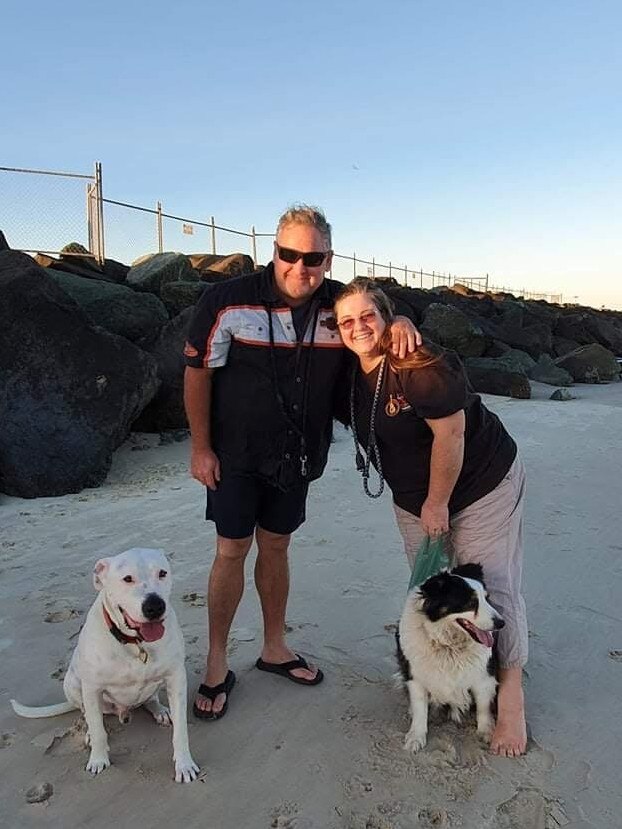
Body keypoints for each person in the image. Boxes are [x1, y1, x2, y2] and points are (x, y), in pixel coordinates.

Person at [183, 207, 420, 720]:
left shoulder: (340, 307)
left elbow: (377, 319)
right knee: (231, 550)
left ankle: (274, 647)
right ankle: (216, 663)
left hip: (299, 454)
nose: (300, 267)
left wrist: (400, 318)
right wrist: (200, 447)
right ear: (275, 250)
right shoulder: (225, 301)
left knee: (277, 544)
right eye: (289, 254)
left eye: (312, 257)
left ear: (327, 258)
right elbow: (197, 371)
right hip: (235, 454)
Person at [333, 278, 528, 757]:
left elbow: (452, 436)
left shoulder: (420, 363)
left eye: (369, 316)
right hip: (412, 496)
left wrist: (438, 504)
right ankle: (452, 671)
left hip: (482, 483)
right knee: (436, 587)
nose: (358, 327)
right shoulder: (345, 370)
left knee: (493, 585)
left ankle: (512, 697)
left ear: (387, 317)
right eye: (346, 321)